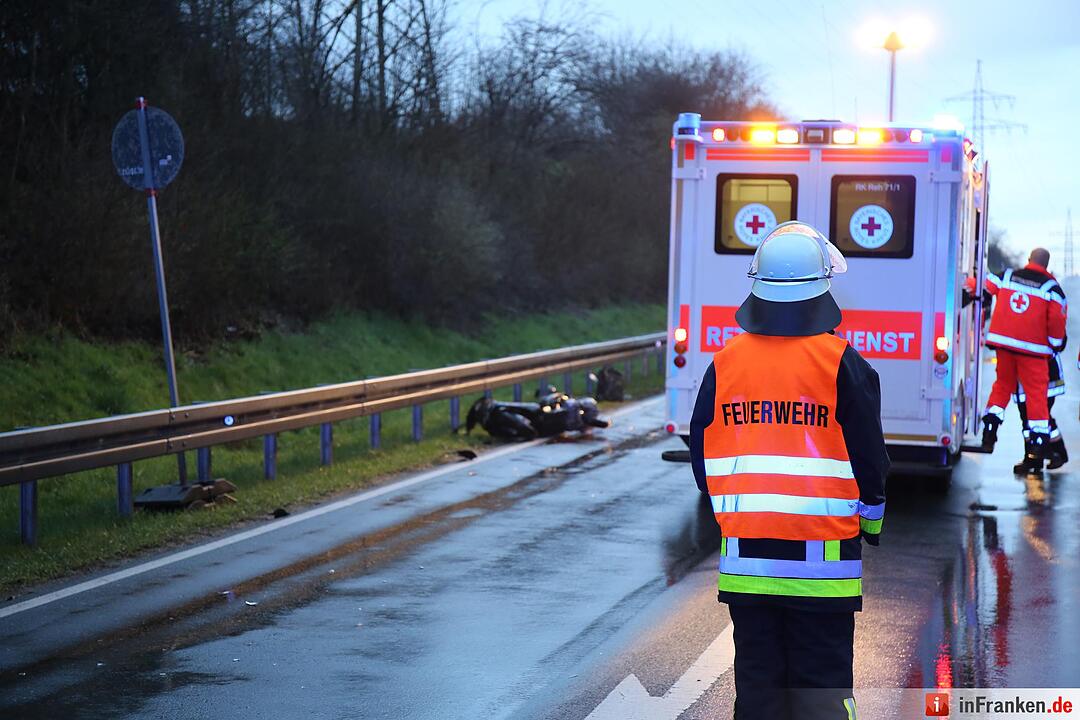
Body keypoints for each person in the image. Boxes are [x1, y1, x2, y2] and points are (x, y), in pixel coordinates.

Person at [690, 222, 889, 720]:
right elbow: (870, 460)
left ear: (756, 287)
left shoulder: (725, 363)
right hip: (823, 571)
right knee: (821, 692)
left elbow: (702, 455)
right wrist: (871, 523)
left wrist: (732, 516)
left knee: (758, 693)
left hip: (748, 567)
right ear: (822, 288)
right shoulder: (842, 363)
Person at [980, 248, 1067, 463]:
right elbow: (1057, 323)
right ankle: (1038, 447)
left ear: (1029, 260)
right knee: (1036, 397)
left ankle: (990, 431)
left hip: (1004, 345)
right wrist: (1055, 345)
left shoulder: (1007, 276)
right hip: (1034, 352)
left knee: (1001, 387)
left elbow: (983, 287)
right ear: (1046, 265)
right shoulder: (1052, 288)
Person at [1012, 353, 1067, 473]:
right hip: (1026, 377)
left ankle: (1054, 453)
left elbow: (1058, 341)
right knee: (1029, 419)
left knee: (1040, 418)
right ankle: (1035, 457)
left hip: (1044, 375)